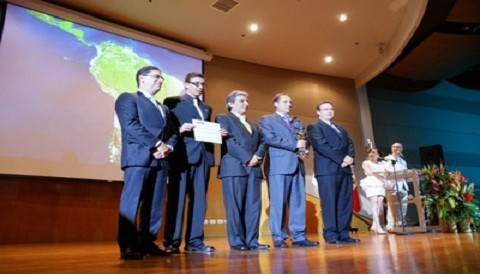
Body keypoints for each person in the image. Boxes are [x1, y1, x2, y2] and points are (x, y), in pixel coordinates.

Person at [114, 65, 177, 260]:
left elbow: (173, 133)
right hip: (139, 159)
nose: (161, 80)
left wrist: (169, 147)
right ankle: (128, 245)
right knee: (131, 203)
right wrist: (157, 144)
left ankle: (147, 242)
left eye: (161, 78)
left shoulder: (164, 108)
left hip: (161, 162)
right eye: (156, 77)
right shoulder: (128, 98)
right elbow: (130, 125)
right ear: (142, 78)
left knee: (155, 204)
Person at [162, 72, 218, 253]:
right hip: (181, 156)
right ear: (186, 85)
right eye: (196, 84)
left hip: (203, 157)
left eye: (203, 84)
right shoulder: (172, 102)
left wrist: (218, 133)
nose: (200, 87)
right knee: (177, 199)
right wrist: (180, 129)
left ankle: (195, 242)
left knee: (200, 201)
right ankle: (172, 241)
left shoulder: (206, 108)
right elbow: (166, 128)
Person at [259, 93, 319, 248]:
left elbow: (304, 140)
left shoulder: (297, 121)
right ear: (276, 104)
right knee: (278, 202)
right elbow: (269, 138)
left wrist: (304, 149)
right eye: (285, 102)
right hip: (278, 165)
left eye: (290, 102)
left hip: (297, 165)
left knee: (298, 202)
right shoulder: (267, 119)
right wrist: (295, 145)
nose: (289, 104)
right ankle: (278, 237)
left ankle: (299, 236)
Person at [216, 90, 268, 251]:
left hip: (253, 168)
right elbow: (230, 143)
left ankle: (252, 240)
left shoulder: (253, 123)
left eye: (246, 101)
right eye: (241, 101)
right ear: (230, 103)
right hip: (234, 167)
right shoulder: (223, 118)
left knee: (253, 206)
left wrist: (258, 156)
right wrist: (248, 158)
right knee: (235, 206)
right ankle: (237, 241)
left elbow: (263, 142)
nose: (246, 103)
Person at [307, 101, 360, 244]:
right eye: (325, 109)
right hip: (327, 171)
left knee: (345, 203)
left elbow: (350, 143)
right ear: (318, 112)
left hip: (344, 169)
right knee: (330, 202)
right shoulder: (314, 127)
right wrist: (342, 159)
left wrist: (350, 158)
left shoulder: (340, 128)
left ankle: (344, 233)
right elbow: (322, 146)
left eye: (331, 109)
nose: (329, 111)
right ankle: (331, 234)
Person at [360, 147, 387, 234]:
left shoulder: (382, 163)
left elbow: (387, 172)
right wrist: (380, 173)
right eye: (370, 152)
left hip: (380, 183)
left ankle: (374, 225)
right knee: (374, 203)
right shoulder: (366, 163)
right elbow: (369, 172)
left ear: (378, 154)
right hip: (371, 182)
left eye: (373, 152)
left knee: (379, 205)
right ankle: (378, 226)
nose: (371, 154)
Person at [384, 142, 409, 231]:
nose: (395, 148)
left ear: (401, 149)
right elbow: (388, 170)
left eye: (398, 147)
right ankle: (391, 225)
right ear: (391, 149)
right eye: (393, 147)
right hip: (392, 184)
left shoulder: (403, 161)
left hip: (402, 184)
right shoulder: (387, 159)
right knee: (392, 206)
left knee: (403, 205)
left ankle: (400, 222)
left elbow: (405, 172)